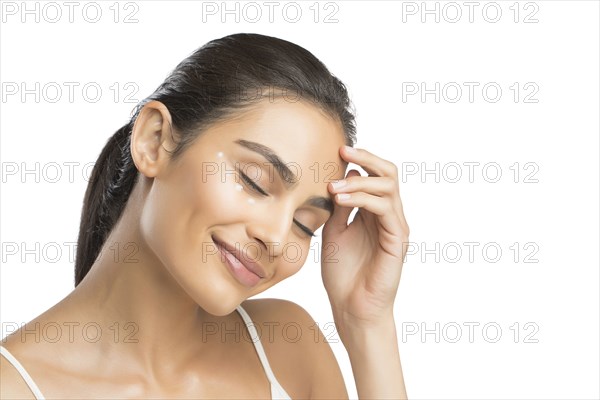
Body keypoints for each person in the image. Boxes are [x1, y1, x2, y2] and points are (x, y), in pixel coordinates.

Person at [0, 33, 410, 399]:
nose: (277, 238)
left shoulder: (289, 348)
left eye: (306, 225)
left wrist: (366, 324)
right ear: (154, 140)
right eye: (255, 182)